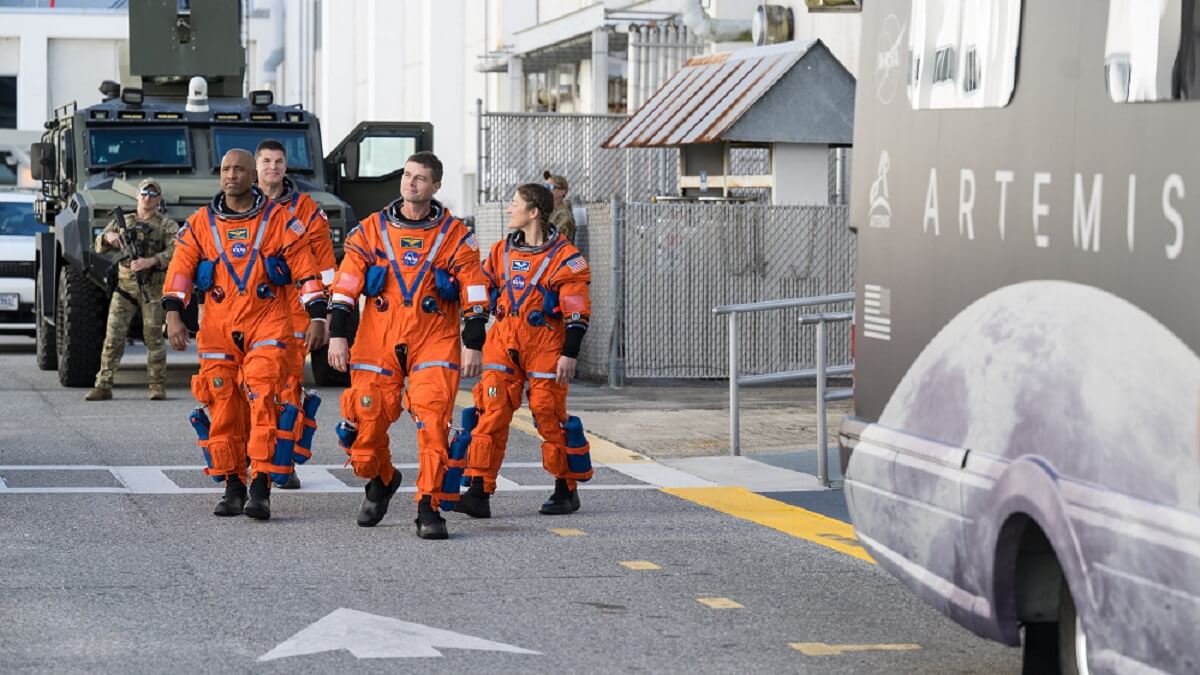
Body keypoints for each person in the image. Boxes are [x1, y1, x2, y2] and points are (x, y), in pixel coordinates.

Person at [326, 151, 488, 540]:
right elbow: (346, 286)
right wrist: (337, 335)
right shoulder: (370, 230)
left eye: (420, 178)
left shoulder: (455, 236)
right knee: (364, 431)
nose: (410, 183)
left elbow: (475, 290)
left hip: (434, 338)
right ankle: (381, 479)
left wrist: (474, 341)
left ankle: (428, 507)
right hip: (377, 339)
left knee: (433, 424)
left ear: (435, 187)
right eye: (407, 176)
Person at [163, 149, 328, 520]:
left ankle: (261, 487)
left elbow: (307, 271)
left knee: (264, 397)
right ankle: (233, 485)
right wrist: (174, 314)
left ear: (253, 176)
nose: (231, 175)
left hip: (267, 322)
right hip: (218, 328)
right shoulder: (201, 224)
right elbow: (180, 272)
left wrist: (318, 316)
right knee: (222, 406)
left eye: (239, 169)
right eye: (225, 169)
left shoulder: (281, 221)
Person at [454, 183, 593, 519]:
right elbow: (481, 292)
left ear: (534, 212)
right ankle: (478, 491)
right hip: (504, 340)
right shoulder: (501, 251)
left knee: (548, 412)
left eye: (514, 204)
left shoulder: (566, 258)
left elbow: (577, 310)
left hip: (545, 342)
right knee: (491, 410)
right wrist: (472, 335)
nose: (508, 209)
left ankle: (565, 488)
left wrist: (569, 353)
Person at [255, 139, 337, 490]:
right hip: (251, 309)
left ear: (286, 166)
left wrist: (328, 309)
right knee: (253, 387)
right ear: (257, 166)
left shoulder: (306, 210)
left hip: (294, 309)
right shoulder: (242, 206)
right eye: (266, 161)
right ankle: (255, 456)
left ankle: (284, 462)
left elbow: (325, 264)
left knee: (288, 386)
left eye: (278, 161)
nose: (272, 167)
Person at [86, 178, 179, 401]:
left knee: (154, 339)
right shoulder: (124, 221)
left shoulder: (166, 225)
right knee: (113, 337)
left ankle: (157, 385)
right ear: (137, 196)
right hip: (125, 288)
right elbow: (98, 243)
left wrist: (152, 261)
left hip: (153, 290)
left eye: (153, 194)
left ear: (159, 199)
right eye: (144, 193)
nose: (148, 197)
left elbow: (177, 250)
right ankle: (103, 384)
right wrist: (109, 236)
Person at [542, 170, 576, 243]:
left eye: (550, 187)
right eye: (545, 186)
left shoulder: (564, 215)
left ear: (562, 191)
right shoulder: (548, 211)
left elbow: (554, 240)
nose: (545, 190)